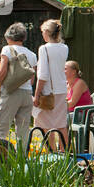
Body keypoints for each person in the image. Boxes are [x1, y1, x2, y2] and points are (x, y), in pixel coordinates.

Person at [0, 23, 37, 144]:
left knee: (0, 128)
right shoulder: (32, 54)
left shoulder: (7, 49)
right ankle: (21, 161)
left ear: (9, 37)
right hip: (27, 93)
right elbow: (32, 79)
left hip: (11, 92)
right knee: (23, 131)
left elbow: (2, 70)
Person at [33, 18, 69, 148]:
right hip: (61, 89)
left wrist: (37, 95)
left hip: (48, 92)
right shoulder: (65, 48)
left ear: (47, 32)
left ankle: (52, 155)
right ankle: (66, 154)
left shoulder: (44, 49)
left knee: (46, 125)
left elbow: (43, 75)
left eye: (43, 31)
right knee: (61, 124)